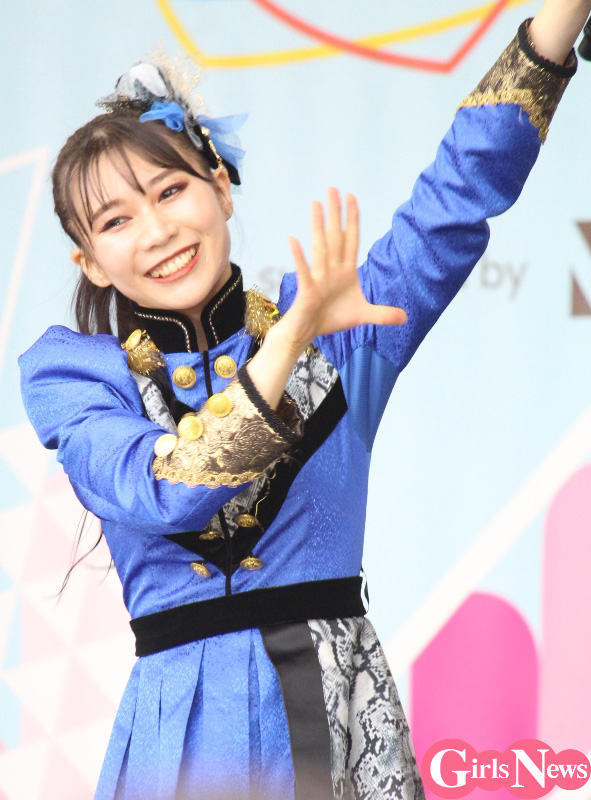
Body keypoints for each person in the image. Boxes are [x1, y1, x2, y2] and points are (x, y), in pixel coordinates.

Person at [18, 1, 591, 798]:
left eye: (171, 190)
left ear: (220, 187)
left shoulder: (339, 329)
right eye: (115, 220)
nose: (154, 231)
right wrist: (287, 339)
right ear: (89, 262)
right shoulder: (76, 378)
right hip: (179, 741)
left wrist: (557, 23)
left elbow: (456, 198)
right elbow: (166, 488)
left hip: (338, 720)